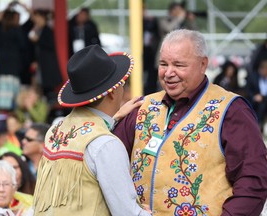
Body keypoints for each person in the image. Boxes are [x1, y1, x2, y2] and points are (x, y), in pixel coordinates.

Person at [113, 29, 267, 215]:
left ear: (203, 65)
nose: (169, 73)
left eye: (179, 65)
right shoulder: (141, 107)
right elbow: (109, 166)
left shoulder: (231, 110)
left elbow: (252, 180)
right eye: (163, 64)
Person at [33, 44, 151, 215]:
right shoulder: (106, 144)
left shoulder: (55, 131)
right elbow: (126, 212)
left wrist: (114, 117)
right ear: (112, 92)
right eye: (122, 84)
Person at [246, 59, 267, 132]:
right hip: (256, 100)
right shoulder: (253, 77)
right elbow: (248, 90)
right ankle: (257, 126)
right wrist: (254, 96)